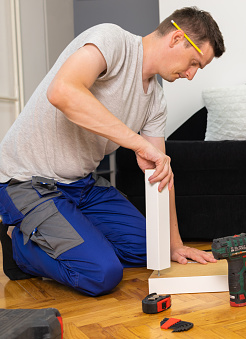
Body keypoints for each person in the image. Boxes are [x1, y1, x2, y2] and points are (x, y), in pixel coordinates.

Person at [0, 6, 225, 296]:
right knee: (101, 274)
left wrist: (174, 244)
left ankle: (70, 234)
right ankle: (19, 247)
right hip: (26, 182)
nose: (192, 75)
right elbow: (62, 91)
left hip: (80, 185)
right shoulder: (113, 41)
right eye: (194, 62)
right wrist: (137, 142)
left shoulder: (155, 100)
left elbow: (160, 174)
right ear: (176, 38)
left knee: (152, 251)